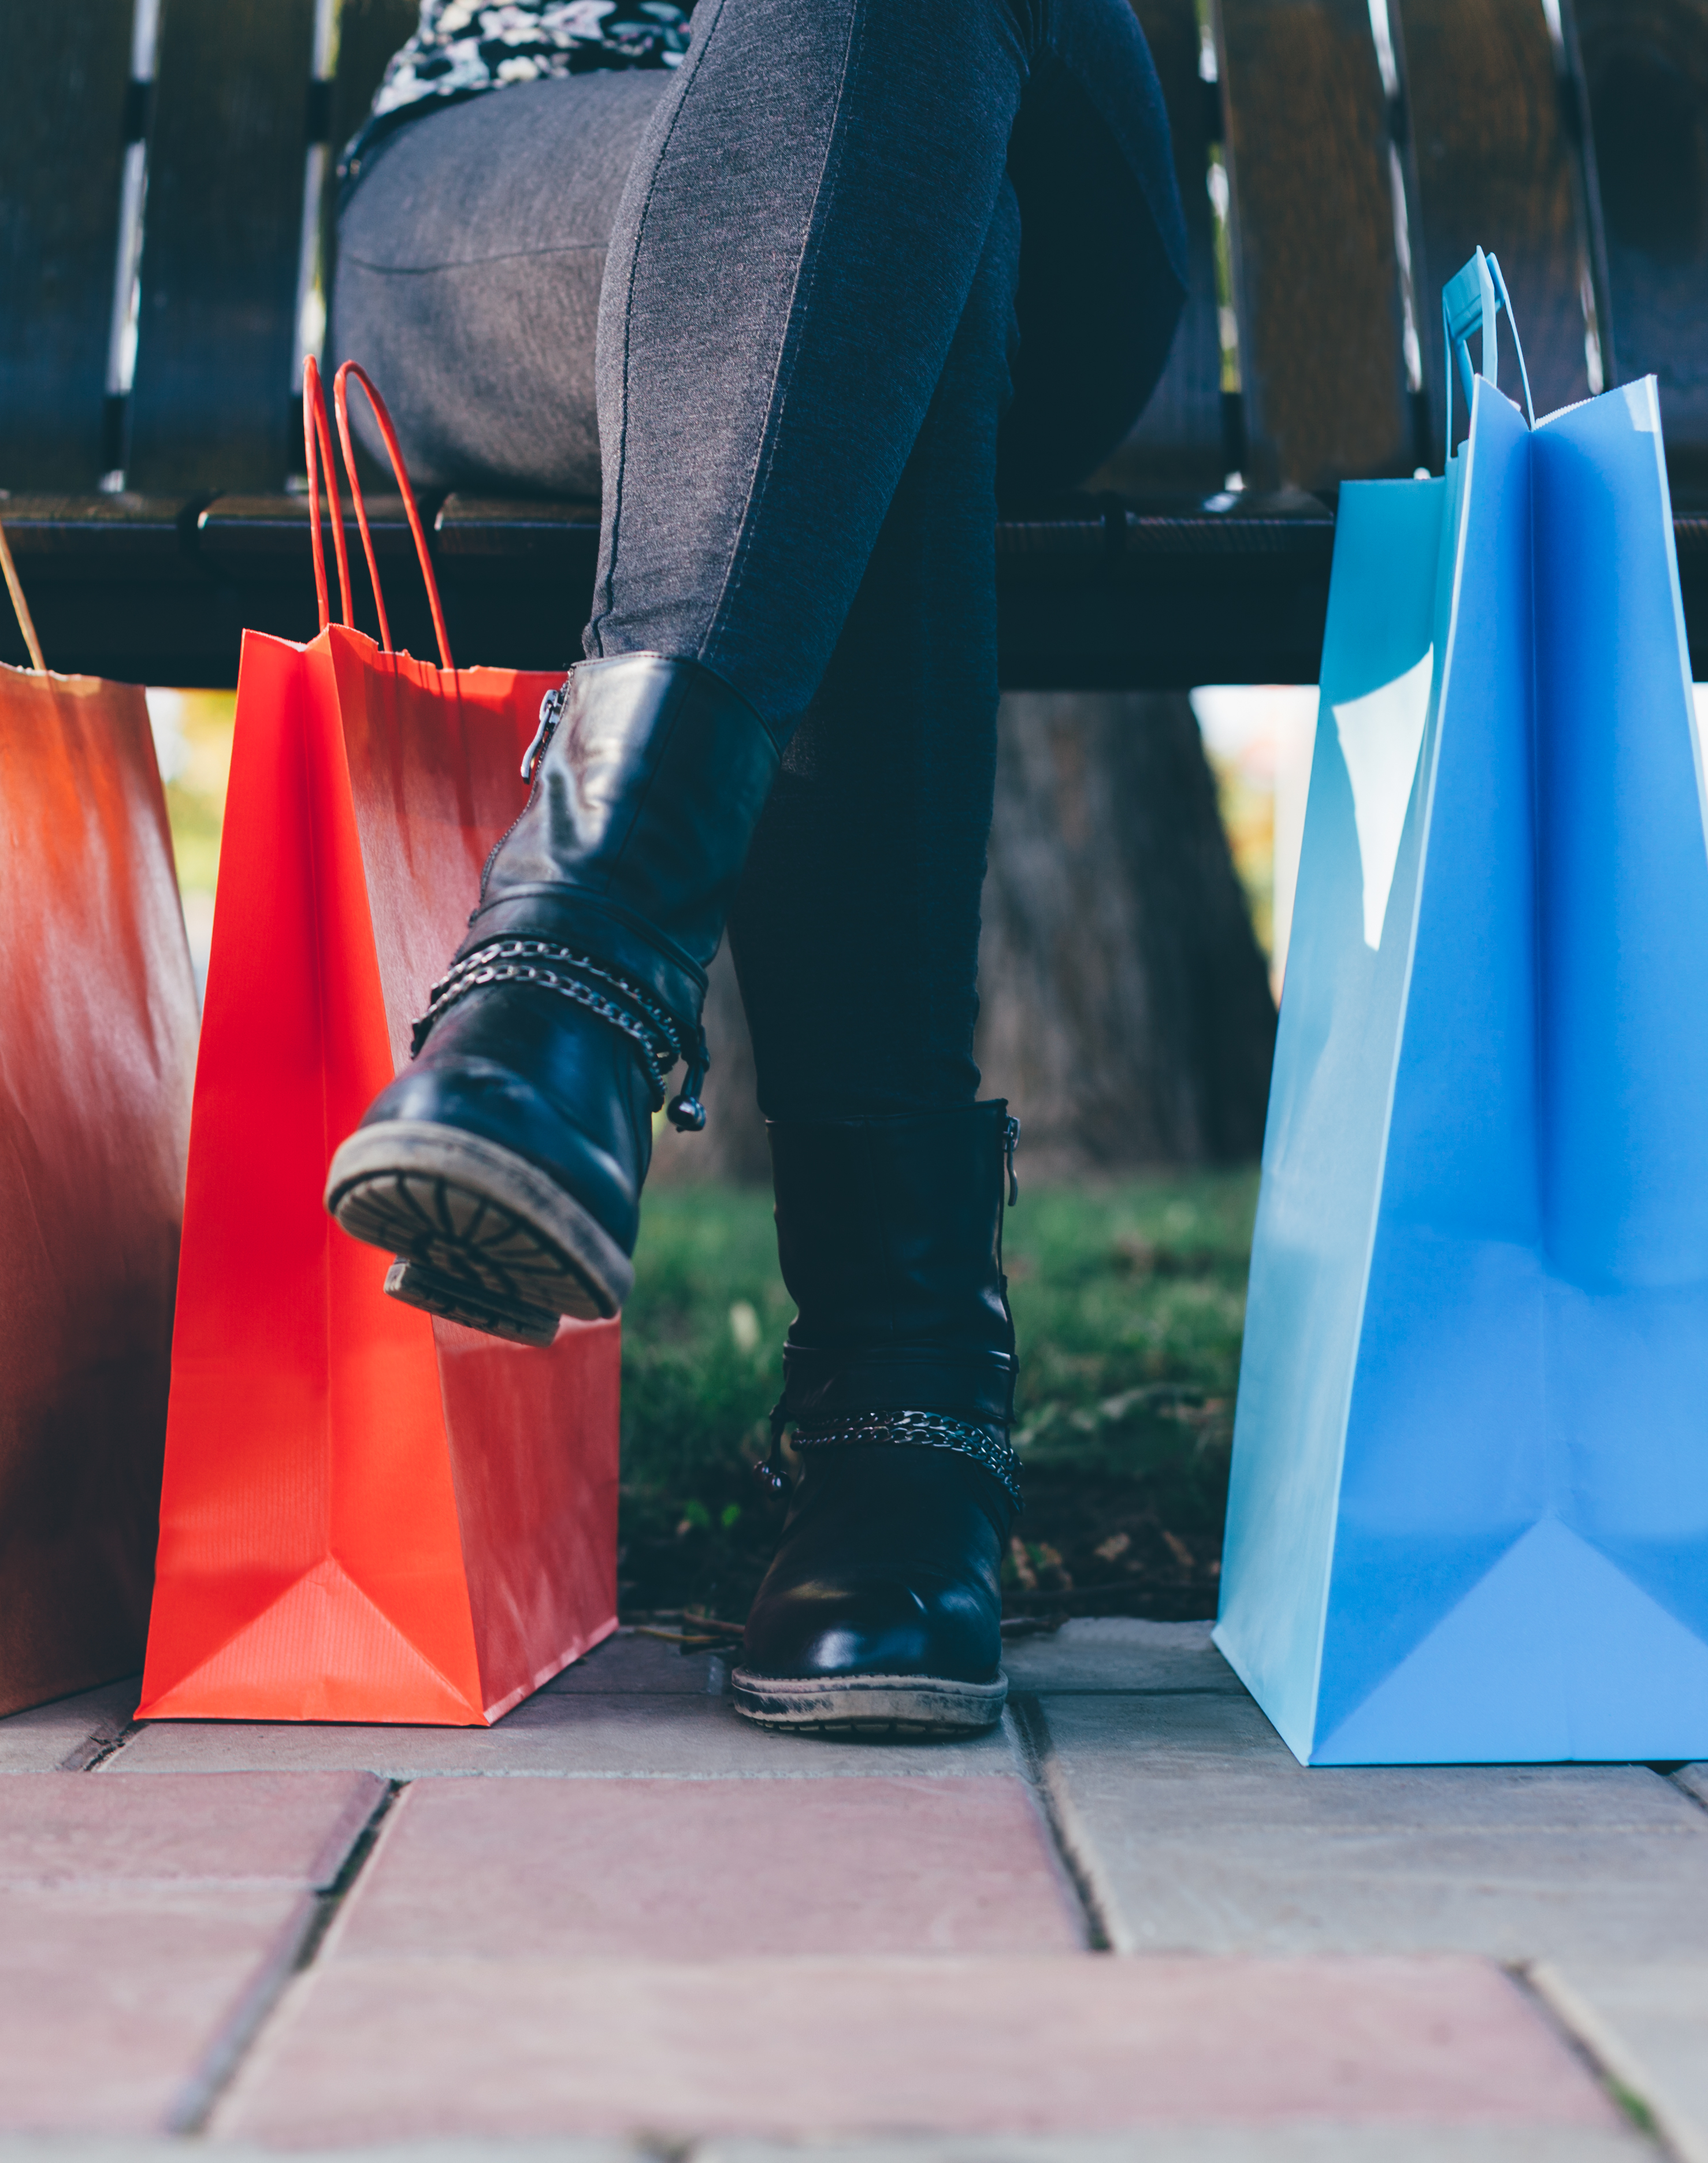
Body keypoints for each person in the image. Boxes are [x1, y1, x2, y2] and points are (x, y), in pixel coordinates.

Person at [320, 0, 1189, 1737]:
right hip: (520, 167)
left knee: (890, 187)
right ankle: (903, 1399)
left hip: (1020, 95)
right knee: (898, 265)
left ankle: (577, 964)